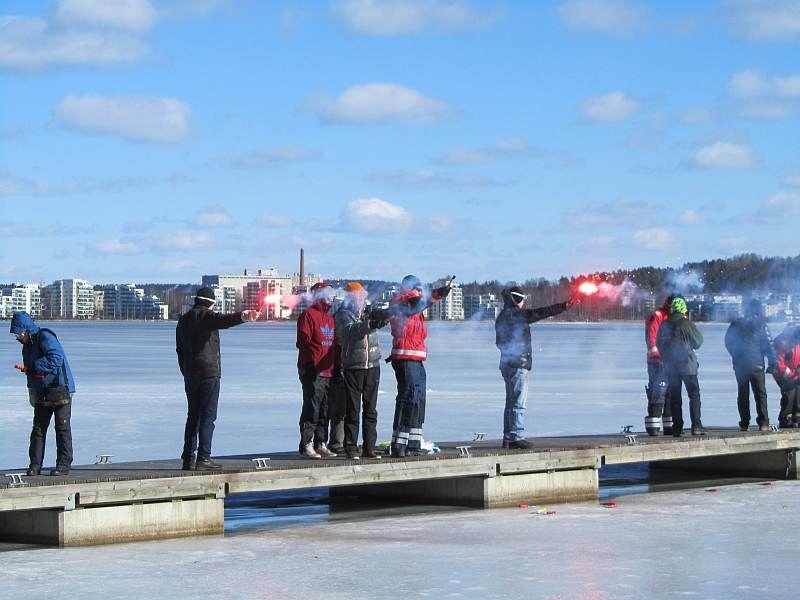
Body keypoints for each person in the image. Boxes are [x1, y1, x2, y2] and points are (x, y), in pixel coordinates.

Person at [176, 287, 259, 470]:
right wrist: (244, 316)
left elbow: (179, 350)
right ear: (211, 303)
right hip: (208, 373)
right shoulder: (207, 317)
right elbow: (224, 320)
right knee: (208, 416)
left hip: (190, 374)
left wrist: (185, 370)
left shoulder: (183, 320)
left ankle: (188, 459)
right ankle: (204, 458)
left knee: (193, 416)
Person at [495, 286, 578, 449]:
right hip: (519, 364)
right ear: (516, 300)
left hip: (506, 364)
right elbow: (541, 312)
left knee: (510, 402)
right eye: (522, 300)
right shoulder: (517, 315)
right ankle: (517, 436)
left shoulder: (502, 316)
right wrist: (563, 306)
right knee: (518, 402)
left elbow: (499, 343)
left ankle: (508, 437)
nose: (524, 303)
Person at [387, 275, 451, 458]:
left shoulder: (414, 303)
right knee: (408, 397)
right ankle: (399, 444)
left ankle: (413, 442)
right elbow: (418, 304)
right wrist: (437, 294)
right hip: (405, 356)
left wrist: (437, 294)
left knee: (418, 398)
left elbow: (421, 304)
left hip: (416, 357)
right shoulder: (401, 302)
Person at [10, 311, 75, 476]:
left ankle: (63, 465)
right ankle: (35, 466)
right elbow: (30, 371)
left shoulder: (45, 337)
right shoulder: (27, 347)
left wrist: (36, 366)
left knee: (62, 428)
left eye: (18, 334)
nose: (17, 338)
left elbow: (56, 358)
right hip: (41, 391)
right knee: (38, 429)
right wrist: (31, 391)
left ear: (25, 330)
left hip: (60, 388)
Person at [334, 282, 390, 459]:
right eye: (357, 297)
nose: (361, 300)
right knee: (353, 409)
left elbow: (377, 321)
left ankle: (369, 447)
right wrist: (370, 324)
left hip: (372, 366)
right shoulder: (343, 315)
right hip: (354, 366)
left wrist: (385, 317)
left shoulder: (368, 312)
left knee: (371, 409)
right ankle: (351, 447)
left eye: (363, 297)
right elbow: (351, 332)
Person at [296, 282, 337, 458]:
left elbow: (334, 345)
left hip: (328, 369)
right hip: (312, 369)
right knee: (312, 407)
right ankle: (306, 443)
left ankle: (321, 442)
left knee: (325, 409)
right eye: (327, 294)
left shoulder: (330, 318)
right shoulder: (308, 315)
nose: (331, 298)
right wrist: (310, 364)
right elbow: (303, 341)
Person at [724, 299, 777, 432]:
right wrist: (772, 362)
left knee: (743, 394)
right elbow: (769, 345)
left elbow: (728, 341)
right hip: (756, 364)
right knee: (760, 393)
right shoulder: (761, 325)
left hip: (740, 365)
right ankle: (763, 422)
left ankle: (744, 422)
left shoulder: (736, 324)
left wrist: (735, 355)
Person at [657, 296, 704, 437]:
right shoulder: (686, 324)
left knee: (675, 398)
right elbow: (698, 341)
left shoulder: (664, 325)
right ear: (683, 309)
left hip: (671, 367)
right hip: (688, 366)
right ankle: (696, 426)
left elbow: (659, 344)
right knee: (694, 395)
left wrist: (667, 357)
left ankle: (677, 428)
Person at [644, 296, 675, 436]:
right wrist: (655, 352)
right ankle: (653, 426)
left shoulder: (676, 317)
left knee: (670, 393)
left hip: (671, 361)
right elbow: (651, 336)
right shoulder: (658, 315)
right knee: (658, 391)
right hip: (657, 362)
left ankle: (669, 425)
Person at [773, 324, 800, 428]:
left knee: (799, 392)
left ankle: (797, 417)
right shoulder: (783, 342)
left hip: (796, 372)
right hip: (782, 373)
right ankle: (785, 418)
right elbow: (779, 363)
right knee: (789, 393)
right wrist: (792, 374)